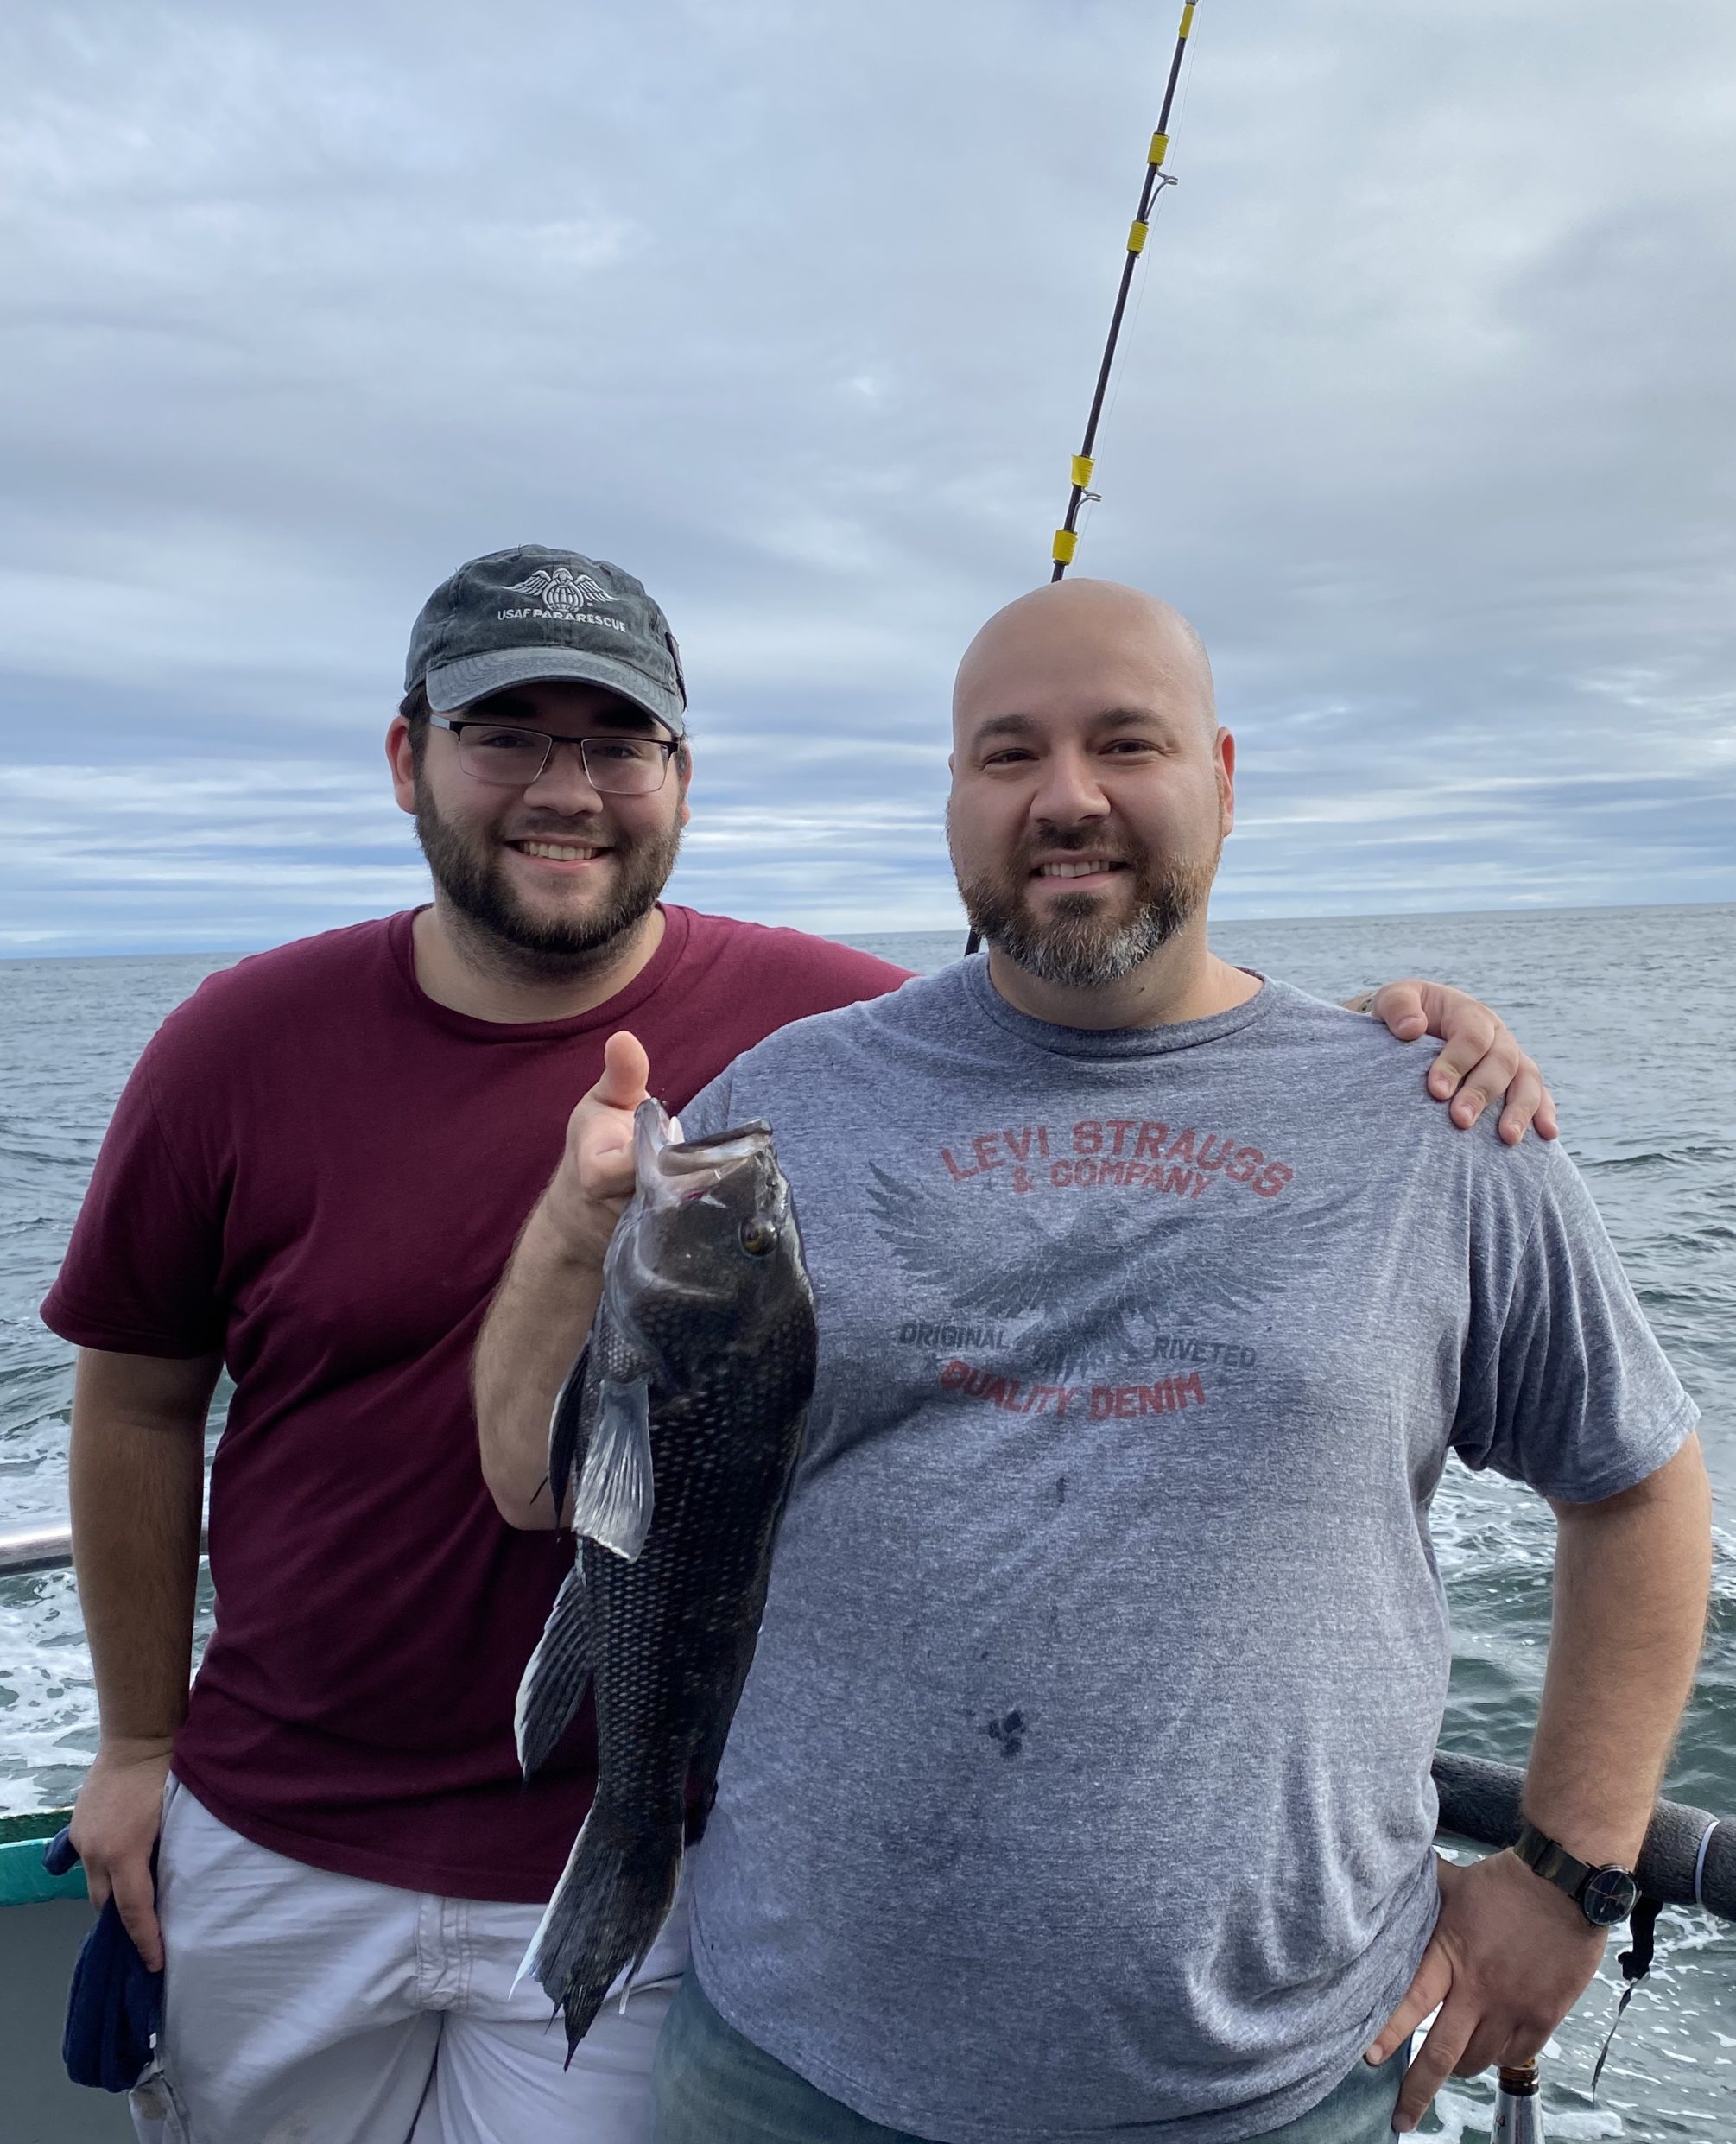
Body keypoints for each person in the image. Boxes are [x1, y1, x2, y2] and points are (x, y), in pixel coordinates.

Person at [48, 546, 1547, 2144]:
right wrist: (139, 1742)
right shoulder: (233, 1041)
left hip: (671, 1858)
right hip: (280, 1830)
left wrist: (1394, 1042)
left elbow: (1081, 1041)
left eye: (615, 744)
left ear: (679, 782)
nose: (566, 788)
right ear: (410, 755)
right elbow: (138, 1407)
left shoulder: (826, 1037)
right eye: (508, 734)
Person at [476, 578, 1713, 2144]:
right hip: (785, 2071)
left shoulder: (1435, 1122)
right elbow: (552, 1471)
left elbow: (1637, 1489)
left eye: (1125, 742)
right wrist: (575, 1229)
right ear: (950, 799)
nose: (1067, 798)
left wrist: (1569, 1874)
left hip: (1275, 2090)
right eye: (1007, 755)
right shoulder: (780, 1103)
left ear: (1223, 777)